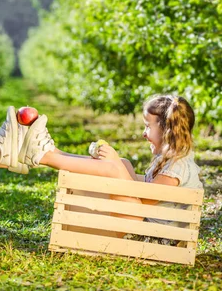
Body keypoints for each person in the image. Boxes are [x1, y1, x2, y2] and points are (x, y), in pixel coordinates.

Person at [15, 95, 203, 241]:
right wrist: (117, 165)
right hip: (145, 227)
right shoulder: (172, 160)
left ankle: (43, 157)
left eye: (147, 127)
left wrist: (116, 168)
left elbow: (143, 203)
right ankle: (55, 153)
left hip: (151, 238)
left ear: (166, 130)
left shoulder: (177, 167)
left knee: (116, 167)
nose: (144, 133)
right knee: (123, 163)